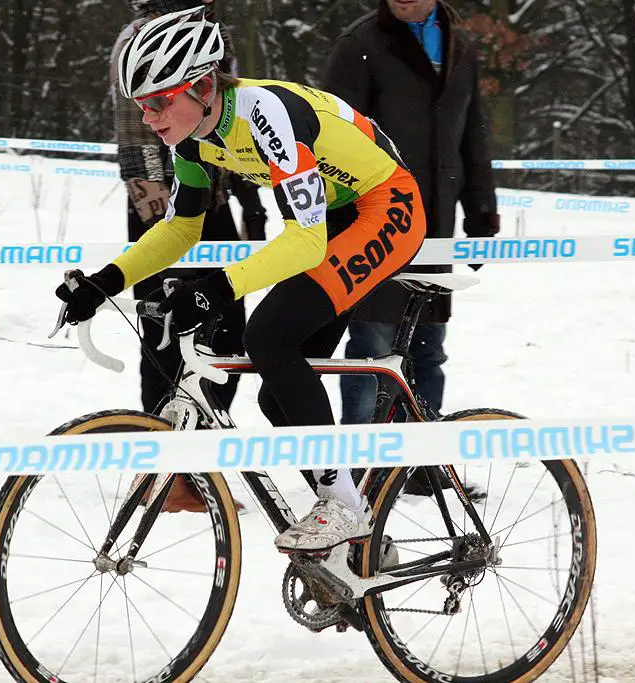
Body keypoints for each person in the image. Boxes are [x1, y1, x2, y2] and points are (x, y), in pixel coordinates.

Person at [56, 6, 427, 553]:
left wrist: (215, 288)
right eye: (142, 106)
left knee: (268, 336)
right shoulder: (192, 139)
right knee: (280, 400)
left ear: (204, 86)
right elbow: (181, 230)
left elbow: (306, 240)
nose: (150, 117)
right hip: (335, 219)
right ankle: (362, 544)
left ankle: (343, 509)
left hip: (386, 205)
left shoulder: (264, 112)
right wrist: (104, 282)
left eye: (160, 101)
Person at [323, 0, 500, 436]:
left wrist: (481, 211)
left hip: (436, 225)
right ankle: (359, 470)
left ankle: (420, 464)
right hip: (372, 225)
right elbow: (328, 140)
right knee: (373, 349)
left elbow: (471, 132)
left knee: (428, 349)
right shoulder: (358, 45)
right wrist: (338, 227)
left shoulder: (460, 44)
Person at [109, 0, 266, 422]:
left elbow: (235, 123)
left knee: (229, 324)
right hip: (163, 204)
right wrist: (160, 220)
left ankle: (208, 434)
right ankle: (165, 456)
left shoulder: (214, 33)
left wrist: (251, 205)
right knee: (164, 334)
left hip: (216, 200)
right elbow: (135, 140)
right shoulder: (141, 37)